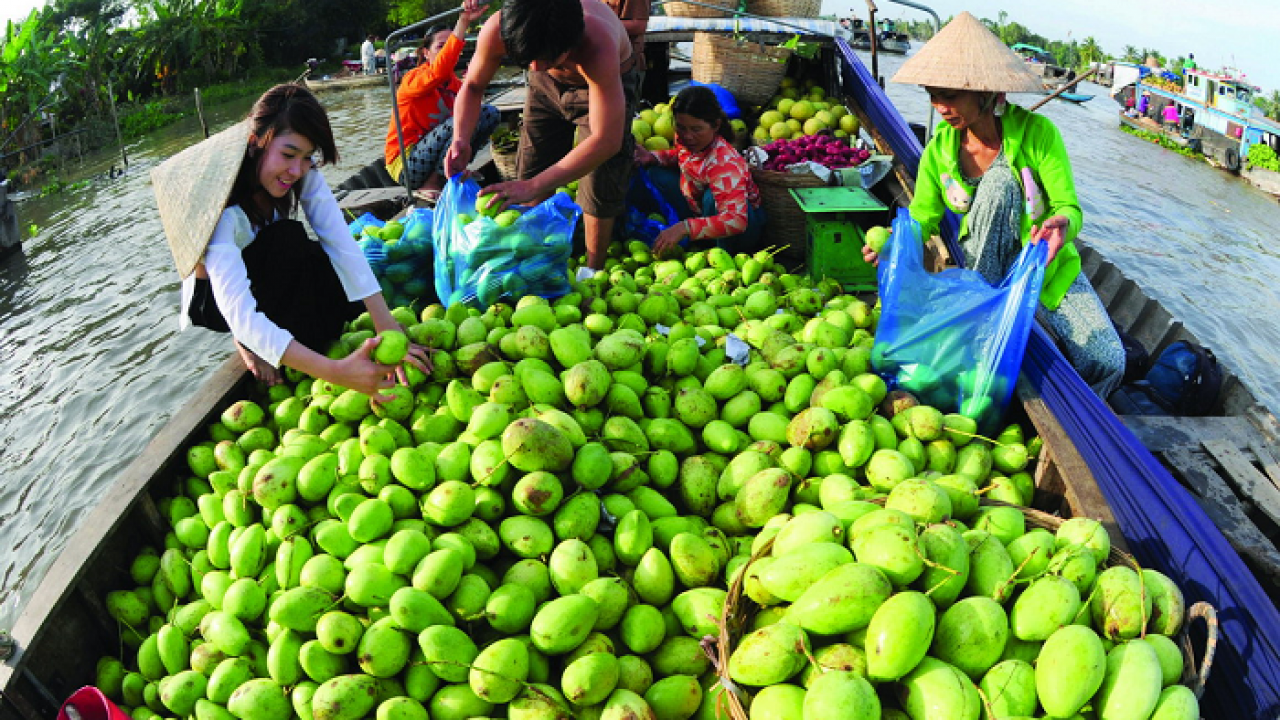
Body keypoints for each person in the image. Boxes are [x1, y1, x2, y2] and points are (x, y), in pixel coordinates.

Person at [865, 11, 1124, 398]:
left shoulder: (1038, 135)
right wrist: (895, 239)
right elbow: (923, 217)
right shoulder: (939, 152)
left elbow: (1070, 207)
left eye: (949, 95)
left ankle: (1076, 416)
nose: (939, 106)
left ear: (987, 93)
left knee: (1108, 362)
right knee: (1000, 184)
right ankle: (983, 321)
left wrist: (1061, 227)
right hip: (983, 273)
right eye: (932, 96)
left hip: (1044, 266)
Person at [153, 83, 429, 396]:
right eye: (287, 154)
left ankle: (273, 337)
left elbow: (340, 242)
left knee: (332, 289)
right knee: (289, 239)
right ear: (257, 142)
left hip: (262, 264)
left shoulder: (301, 171)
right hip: (217, 298)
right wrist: (338, 373)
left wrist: (386, 324)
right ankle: (244, 342)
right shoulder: (224, 213)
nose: (296, 170)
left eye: (307, 156)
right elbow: (240, 313)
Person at [444, 0, 636, 274]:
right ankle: (535, 259)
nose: (534, 66)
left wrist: (534, 185)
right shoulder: (502, 29)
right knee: (532, 166)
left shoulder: (597, 43)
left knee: (599, 181)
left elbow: (607, 140)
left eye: (546, 58)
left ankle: (593, 270)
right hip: (545, 89)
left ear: (570, 45)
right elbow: (473, 86)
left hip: (605, 84)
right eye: (525, 59)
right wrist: (460, 139)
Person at [385, 0, 500, 204]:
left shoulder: (455, 85)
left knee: (488, 113)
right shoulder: (413, 79)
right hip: (407, 164)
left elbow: (473, 113)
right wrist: (463, 22)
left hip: (436, 154)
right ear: (426, 53)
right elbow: (440, 69)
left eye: (451, 45)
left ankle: (453, 172)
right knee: (458, 122)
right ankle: (432, 182)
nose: (448, 50)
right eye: (441, 46)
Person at [633, 86, 765, 256]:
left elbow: (736, 221)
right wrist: (654, 157)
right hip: (698, 207)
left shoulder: (725, 163)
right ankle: (691, 239)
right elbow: (684, 158)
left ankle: (722, 253)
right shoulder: (685, 138)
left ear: (715, 125)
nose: (687, 136)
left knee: (712, 198)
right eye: (681, 127)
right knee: (656, 174)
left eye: (696, 129)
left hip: (742, 227)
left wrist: (685, 227)